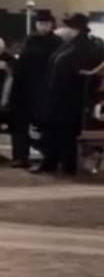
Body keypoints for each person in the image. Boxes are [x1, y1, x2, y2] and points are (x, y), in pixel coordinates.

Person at [40, 15, 104, 176]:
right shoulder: (68, 45)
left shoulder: (84, 47)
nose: (63, 30)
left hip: (70, 96)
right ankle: (52, 161)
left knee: (67, 132)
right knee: (55, 130)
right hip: (59, 95)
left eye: (67, 27)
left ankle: (66, 164)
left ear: (75, 29)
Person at [8, 10, 60, 169]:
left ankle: (47, 157)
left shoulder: (57, 43)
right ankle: (21, 157)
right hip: (25, 89)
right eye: (41, 23)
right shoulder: (29, 41)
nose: (43, 26)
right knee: (19, 124)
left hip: (45, 90)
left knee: (45, 125)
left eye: (46, 23)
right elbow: (20, 66)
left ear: (51, 25)